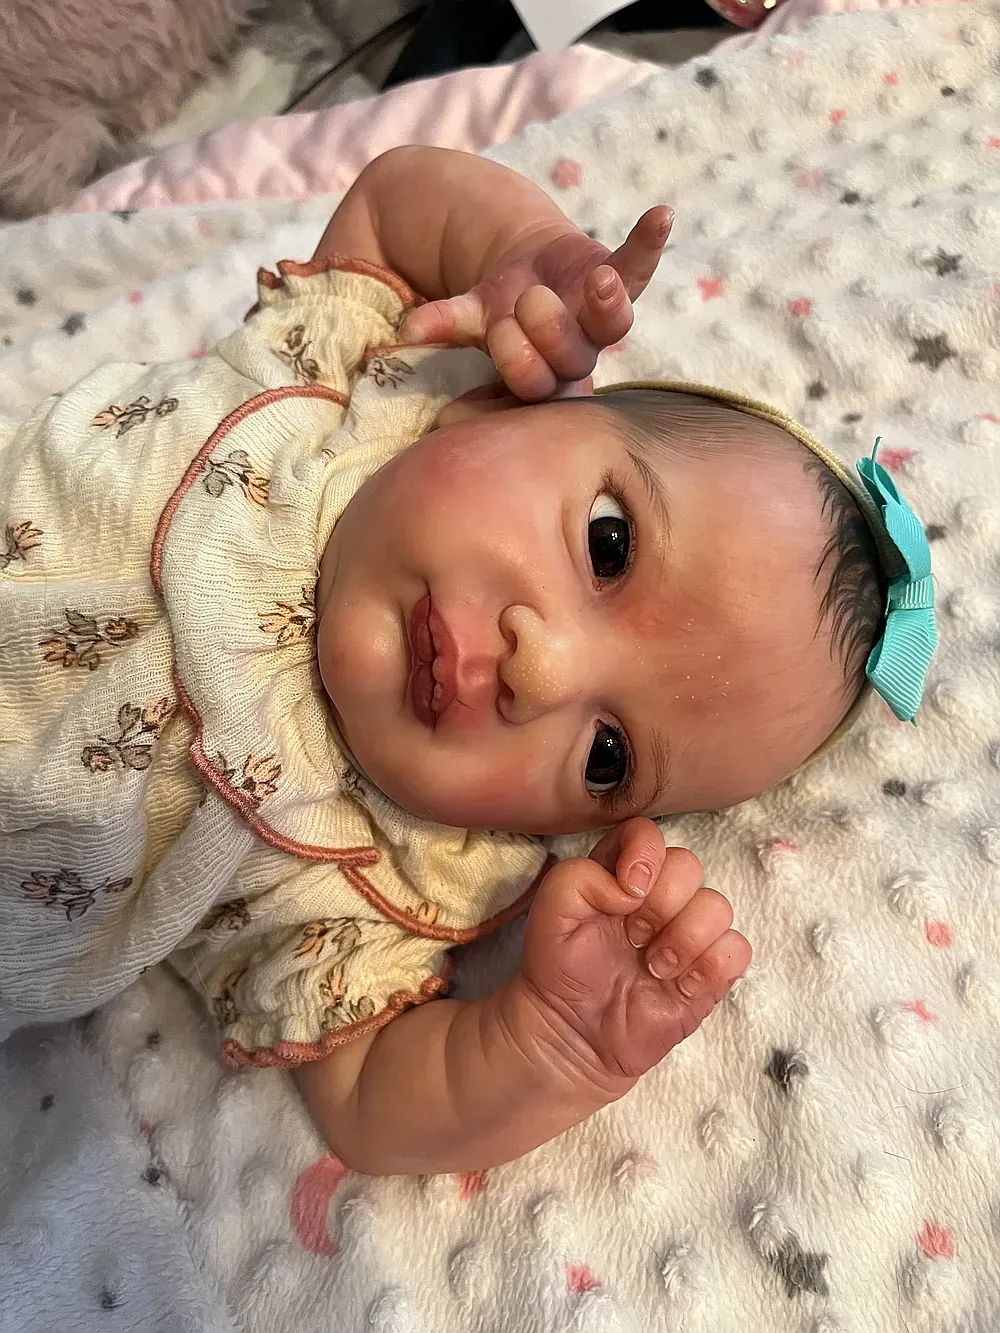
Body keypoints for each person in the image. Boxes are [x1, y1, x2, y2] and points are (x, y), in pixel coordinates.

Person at [0, 146, 935, 1174]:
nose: (545, 670)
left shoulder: (375, 867)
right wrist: (520, 254)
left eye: (608, 755)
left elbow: (370, 1104)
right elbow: (392, 204)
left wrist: (551, 1042)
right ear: (502, 404)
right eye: (608, 546)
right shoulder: (355, 373)